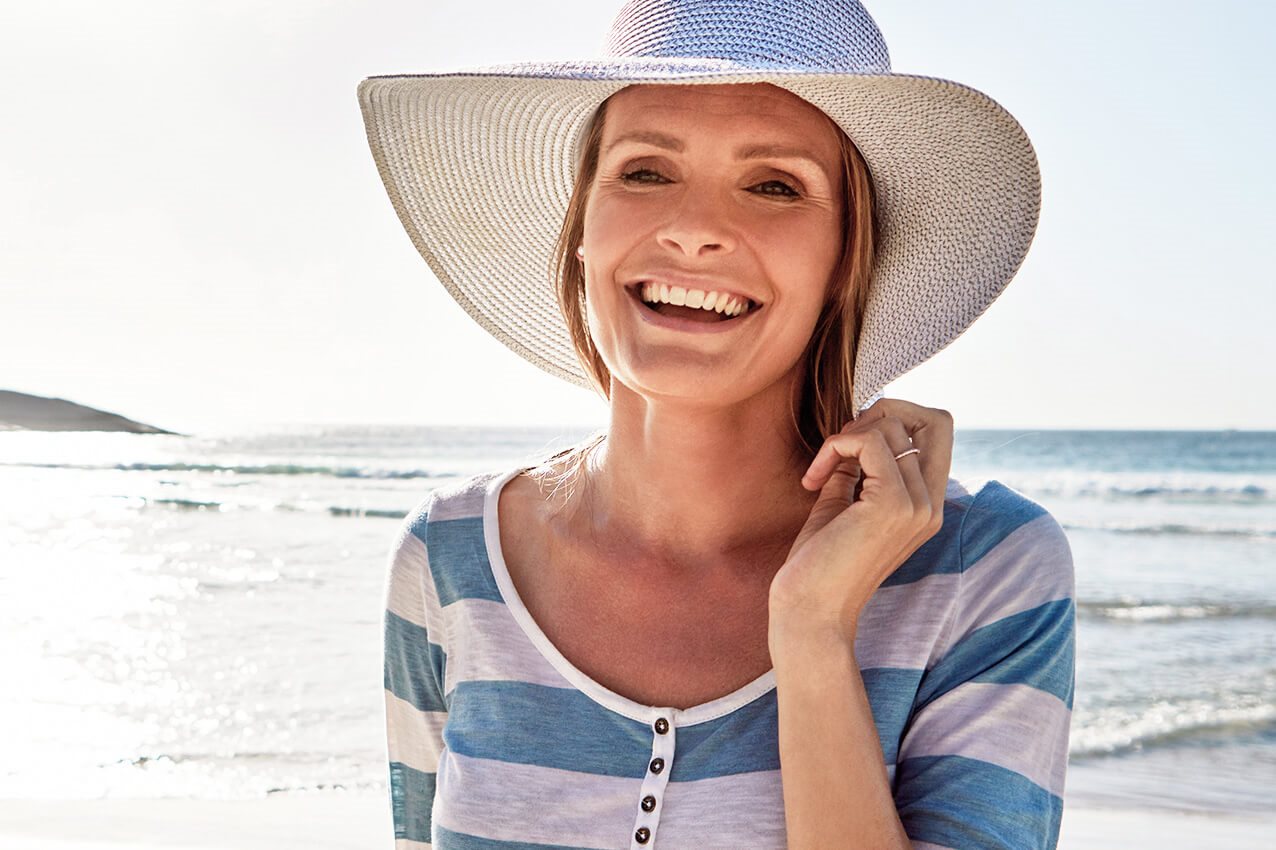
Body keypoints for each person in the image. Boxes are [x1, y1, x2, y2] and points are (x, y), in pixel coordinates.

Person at [360, 1, 1076, 848]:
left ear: (849, 257)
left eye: (774, 185)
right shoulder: (448, 560)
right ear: (582, 227)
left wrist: (813, 634)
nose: (695, 231)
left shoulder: (982, 575)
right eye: (645, 172)